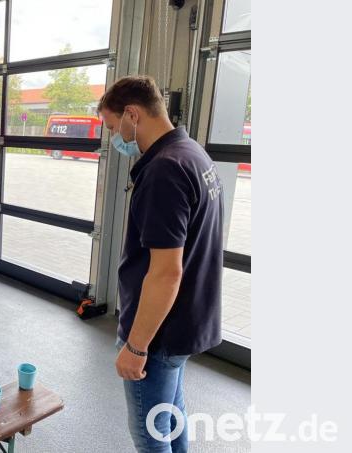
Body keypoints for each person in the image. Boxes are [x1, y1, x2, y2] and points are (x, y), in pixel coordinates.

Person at [97, 76, 224, 452]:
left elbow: (166, 272)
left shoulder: (164, 171)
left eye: (111, 126)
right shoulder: (192, 153)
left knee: (150, 435)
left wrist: (136, 347)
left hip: (160, 333)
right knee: (170, 415)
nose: (113, 138)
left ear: (132, 115)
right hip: (187, 322)